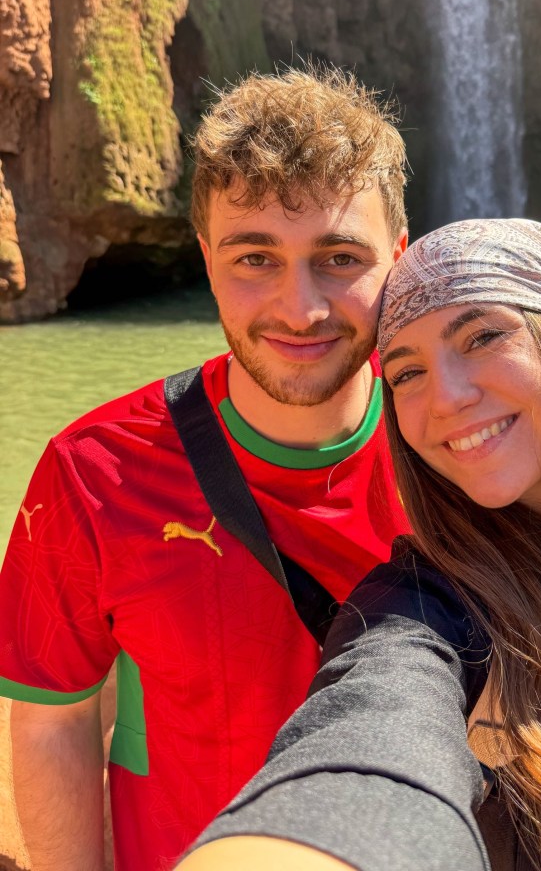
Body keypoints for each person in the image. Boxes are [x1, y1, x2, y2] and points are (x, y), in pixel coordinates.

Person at [180, 219, 541, 871]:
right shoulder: (427, 605)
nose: (448, 398)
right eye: (405, 374)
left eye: (483, 336)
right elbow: (375, 720)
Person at [0, 66, 410, 871]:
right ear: (205, 258)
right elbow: (55, 719)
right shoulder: (91, 472)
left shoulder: (458, 453)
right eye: (255, 258)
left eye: (338, 257)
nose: (301, 308)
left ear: (398, 255)